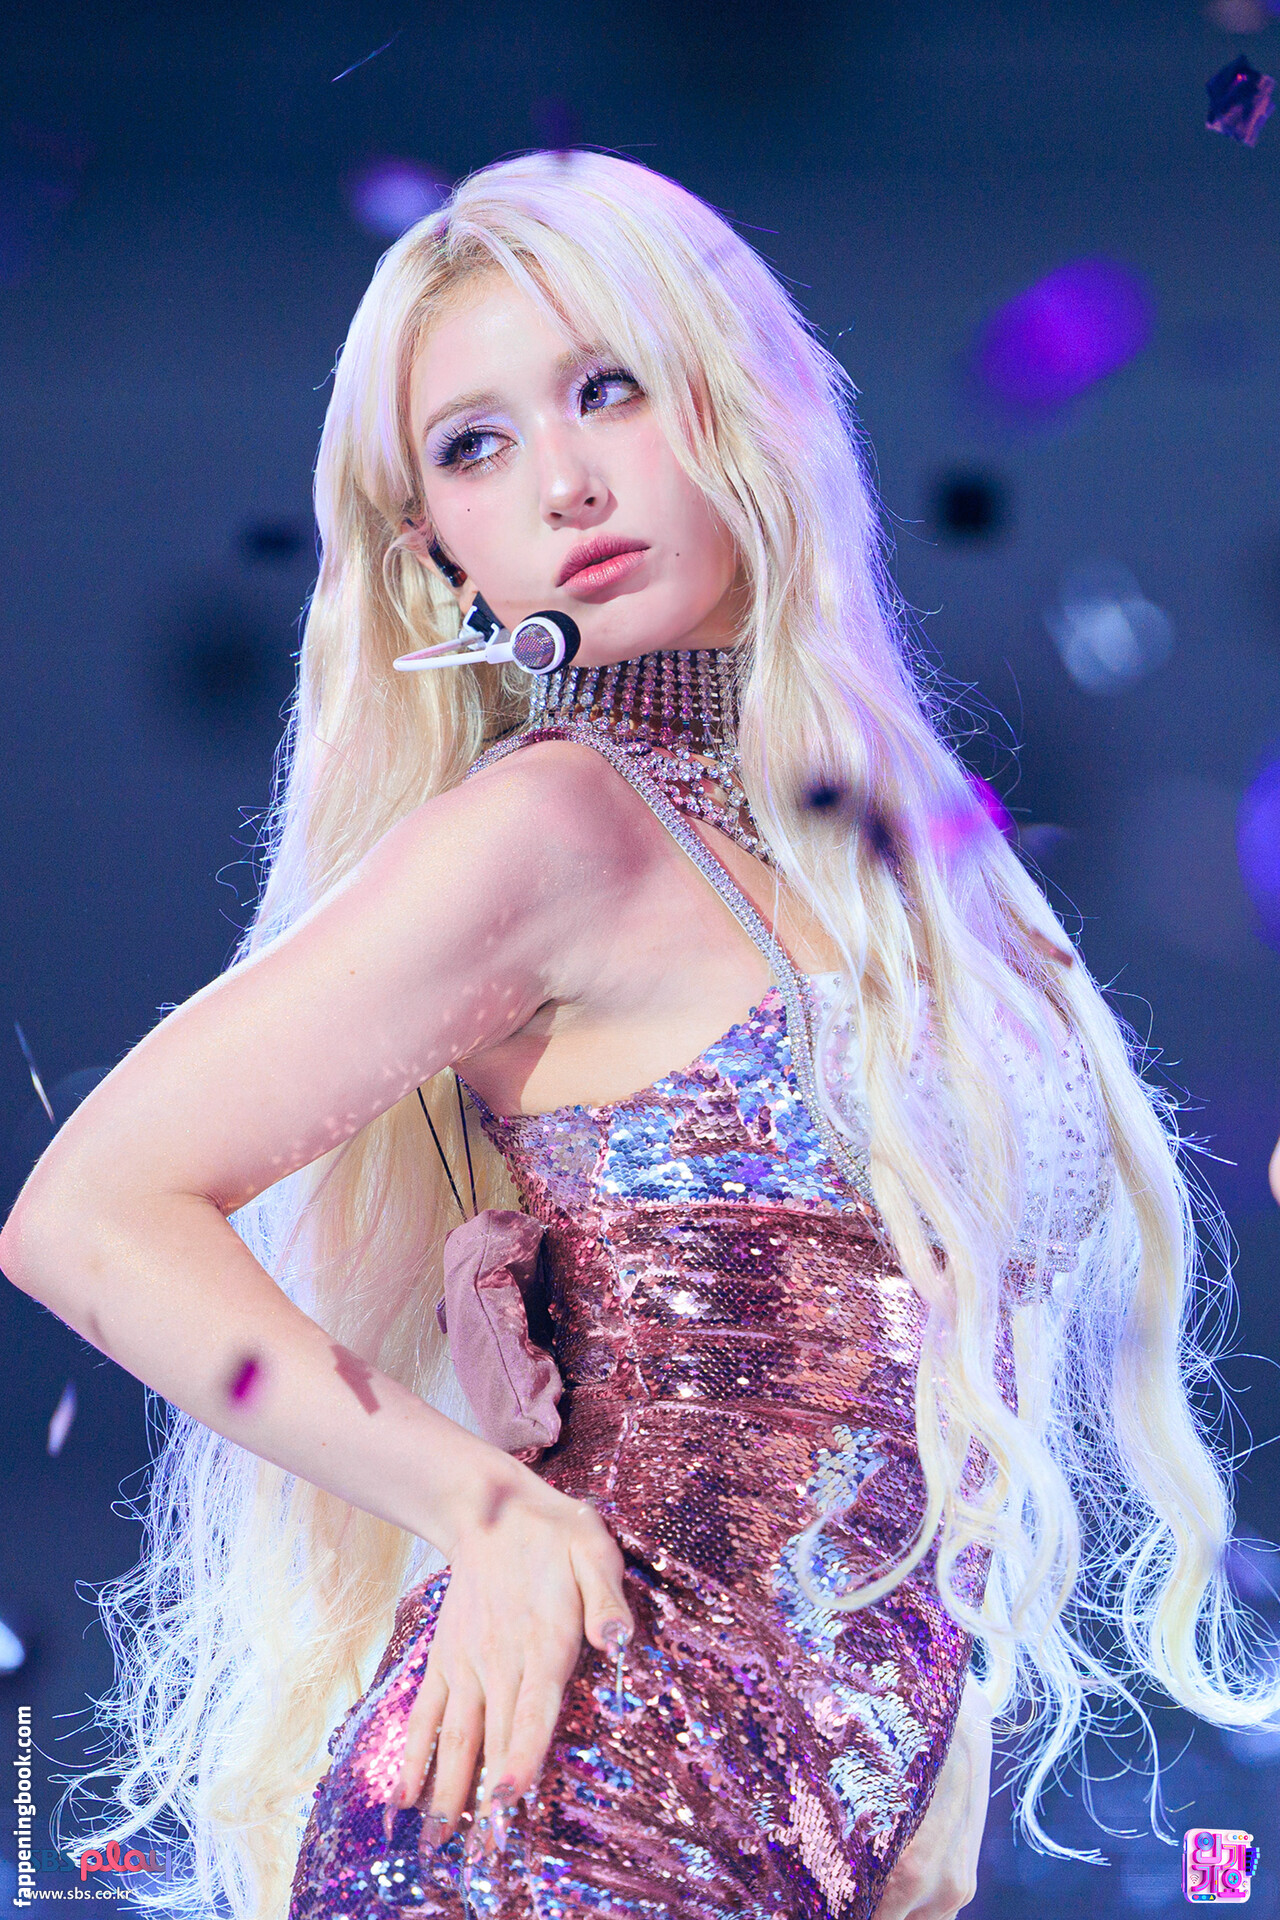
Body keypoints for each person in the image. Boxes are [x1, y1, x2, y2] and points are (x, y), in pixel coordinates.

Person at [2, 152, 1276, 1920]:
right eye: (476, 446)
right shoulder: (553, 832)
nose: (566, 480)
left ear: (744, 396)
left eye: (607, 387)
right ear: (437, 553)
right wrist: (480, 1505)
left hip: (805, 1829)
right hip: (553, 1822)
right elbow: (85, 1214)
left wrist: (936, 1721)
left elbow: (907, 1363)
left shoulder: (911, 859)